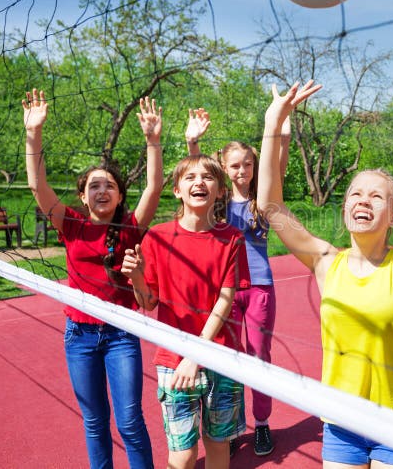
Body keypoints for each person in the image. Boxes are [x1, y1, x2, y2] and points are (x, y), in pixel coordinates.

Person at [257, 78, 393, 468]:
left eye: (376, 196)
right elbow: (270, 205)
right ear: (345, 208)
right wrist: (273, 123)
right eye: (355, 194)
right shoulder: (325, 262)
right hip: (341, 422)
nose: (362, 200)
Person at [23, 88, 162, 469]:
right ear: (83, 196)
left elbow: (155, 187)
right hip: (79, 336)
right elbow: (38, 187)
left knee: (130, 421)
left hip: (121, 333)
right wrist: (33, 134)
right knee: (95, 421)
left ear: (119, 196)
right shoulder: (71, 224)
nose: (102, 190)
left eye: (110, 185)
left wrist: (153, 141)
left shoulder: (132, 226)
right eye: (94, 186)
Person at [122, 154, 250, 469]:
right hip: (172, 360)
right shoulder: (157, 237)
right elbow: (148, 302)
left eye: (208, 177)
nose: (199, 182)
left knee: (218, 445)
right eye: (190, 177)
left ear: (220, 190)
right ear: (177, 189)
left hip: (220, 356)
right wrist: (137, 276)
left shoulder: (231, 238)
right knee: (182, 455)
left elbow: (225, 300)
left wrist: (195, 354)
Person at [185, 108, 291, 457]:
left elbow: (280, 167)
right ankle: (228, 428)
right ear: (224, 168)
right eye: (234, 165)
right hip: (225, 289)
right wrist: (193, 142)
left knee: (259, 356)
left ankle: (261, 425)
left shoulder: (264, 199)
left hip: (260, 288)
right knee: (225, 359)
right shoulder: (217, 200)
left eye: (247, 164)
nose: (241, 170)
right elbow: (196, 176)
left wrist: (282, 132)